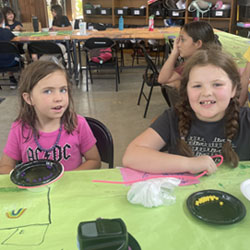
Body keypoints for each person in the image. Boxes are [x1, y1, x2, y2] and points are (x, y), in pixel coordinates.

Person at [123, 48, 250, 175]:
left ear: (233, 89)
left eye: (217, 84)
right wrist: (188, 164)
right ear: (186, 91)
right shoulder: (173, 117)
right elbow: (132, 155)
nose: (206, 93)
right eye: (197, 86)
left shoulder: (246, 120)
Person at [0, 61, 101, 174]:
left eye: (63, 90)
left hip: (69, 190)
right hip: (36, 191)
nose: (58, 98)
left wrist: (66, 179)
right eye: (47, 91)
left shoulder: (78, 123)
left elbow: (94, 161)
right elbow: (5, 166)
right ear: (29, 98)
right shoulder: (19, 128)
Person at [158, 21, 221, 90]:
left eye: (183, 40)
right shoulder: (206, 59)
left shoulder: (198, 65)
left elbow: (163, 79)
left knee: (175, 84)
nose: (178, 44)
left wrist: (174, 53)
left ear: (198, 43)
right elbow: (163, 80)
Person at [0, 11, 19, 89]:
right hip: (11, 62)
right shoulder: (6, 32)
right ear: (3, 20)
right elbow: (16, 40)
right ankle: (14, 78)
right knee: (17, 56)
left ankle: (12, 79)